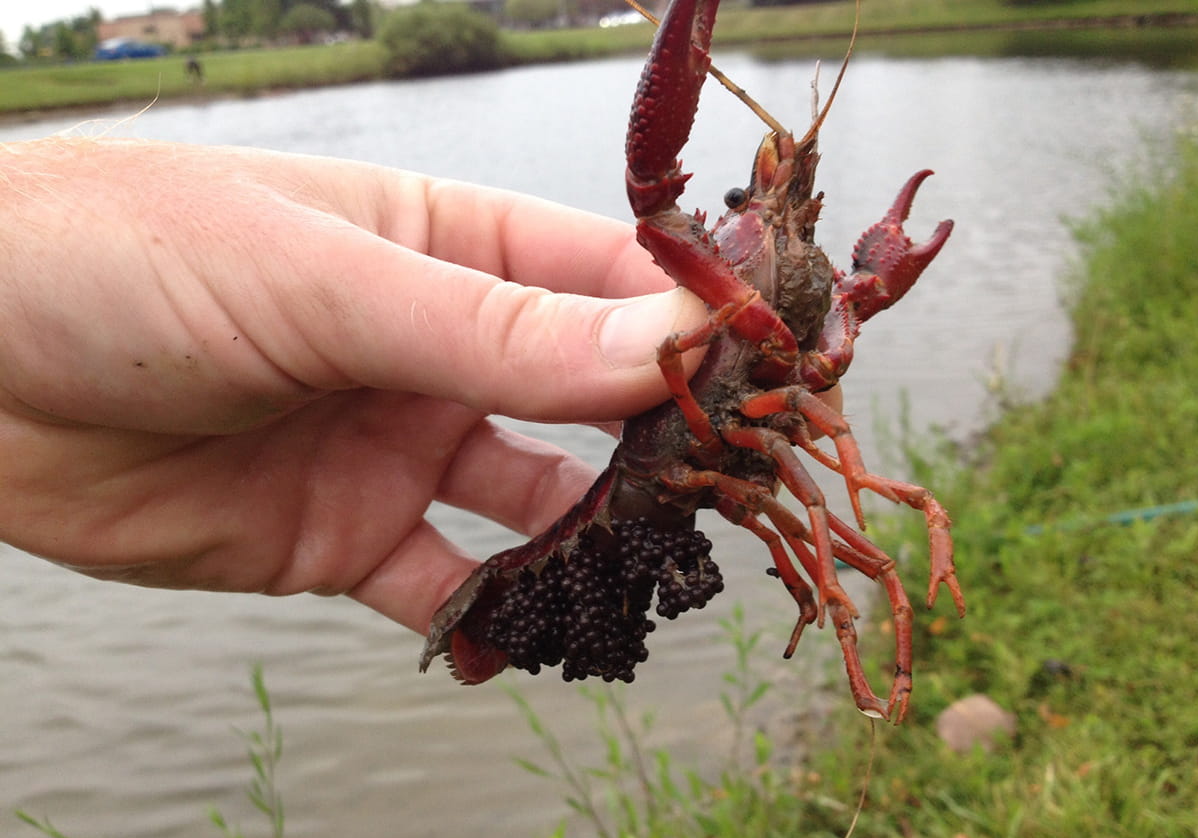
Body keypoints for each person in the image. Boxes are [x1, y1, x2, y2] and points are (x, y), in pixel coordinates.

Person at [0, 137, 839, 638]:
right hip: (663, 480)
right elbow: (673, 358)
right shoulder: (716, 309)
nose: (760, 205)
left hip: (684, 470)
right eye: (747, 200)